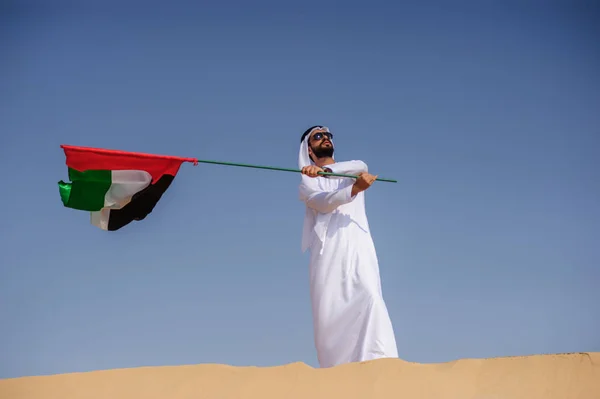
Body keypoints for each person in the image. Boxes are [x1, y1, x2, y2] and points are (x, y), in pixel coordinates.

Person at [298, 125, 399, 368]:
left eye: (327, 135)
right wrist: (354, 189)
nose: (325, 138)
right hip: (328, 256)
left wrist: (326, 171)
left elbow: (361, 165)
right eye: (318, 136)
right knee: (330, 317)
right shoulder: (306, 186)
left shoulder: (349, 171)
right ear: (309, 151)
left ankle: (381, 367)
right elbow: (323, 203)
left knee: (370, 296)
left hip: (357, 245)